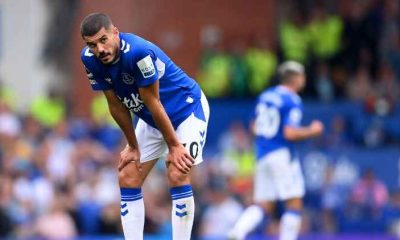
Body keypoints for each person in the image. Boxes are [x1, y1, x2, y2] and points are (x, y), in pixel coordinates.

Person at [80, 13, 209, 240]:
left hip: (186, 111)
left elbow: (155, 102)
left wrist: (175, 146)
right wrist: (132, 145)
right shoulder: (90, 59)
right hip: (152, 117)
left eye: (103, 40)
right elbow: (116, 105)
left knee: (178, 172)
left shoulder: (139, 53)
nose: (99, 49)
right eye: (92, 44)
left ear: (115, 33)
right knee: (128, 173)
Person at [228, 61, 324, 240]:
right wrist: (313, 130)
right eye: (302, 76)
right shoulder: (292, 100)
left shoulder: (265, 96)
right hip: (281, 154)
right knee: (294, 201)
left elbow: (254, 127)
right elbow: (289, 133)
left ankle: (238, 231)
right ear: (295, 78)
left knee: (264, 204)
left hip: (262, 154)